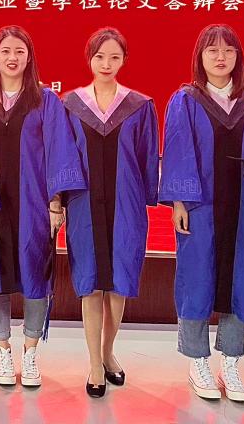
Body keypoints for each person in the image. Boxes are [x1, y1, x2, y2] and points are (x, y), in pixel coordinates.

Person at [159, 24, 244, 403]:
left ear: (238, 57)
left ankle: (230, 361)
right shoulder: (185, 101)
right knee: (196, 278)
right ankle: (197, 360)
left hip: (241, 209)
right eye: (212, 50)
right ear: (200, 56)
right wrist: (179, 202)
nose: (220, 57)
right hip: (200, 207)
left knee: (240, 279)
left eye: (228, 50)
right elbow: (177, 151)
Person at [0, 25, 87, 388]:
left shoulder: (45, 100)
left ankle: (31, 350)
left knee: (36, 274)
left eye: (19, 51)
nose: (12, 57)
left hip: (34, 203)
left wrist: (55, 203)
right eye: (5, 51)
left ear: (29, 57)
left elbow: (58, 151)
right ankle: (3, 349)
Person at [61, 27, 159, 397]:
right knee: (90, 283)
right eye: (100, 56)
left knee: (119, 283)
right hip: (83, 204)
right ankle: (93, 364)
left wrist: (149, 197)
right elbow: (61, 156)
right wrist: (57, 201)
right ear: (89, 59)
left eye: (114, 57)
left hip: (126, 203)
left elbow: (148, 156)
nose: (106, 63)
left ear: (124, 61)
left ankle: (107, 352)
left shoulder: (140, 105)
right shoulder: (70, 104)